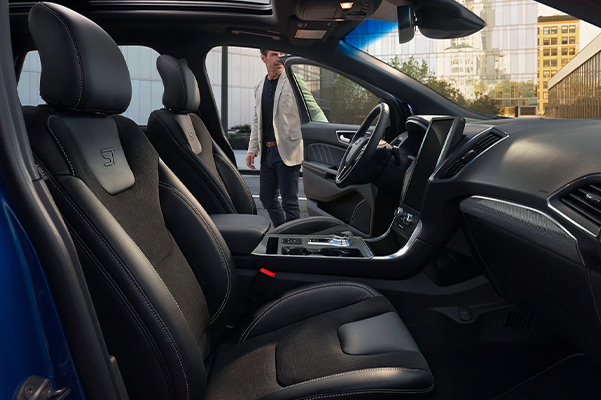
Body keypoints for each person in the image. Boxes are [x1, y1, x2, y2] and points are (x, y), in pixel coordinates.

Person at [246, 49, 304, 227]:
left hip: (288, 149)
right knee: (266, 199)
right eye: (273, 54)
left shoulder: (294, 82)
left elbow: (312, 110)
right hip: (267, 152)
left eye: (281, 54)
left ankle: (293, 244)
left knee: (290, 202)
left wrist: (320, 136)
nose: (279, 58)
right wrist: (252, 149)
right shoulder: (259, 87)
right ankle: (283, 231)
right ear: (263, 58)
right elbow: (257, 120)